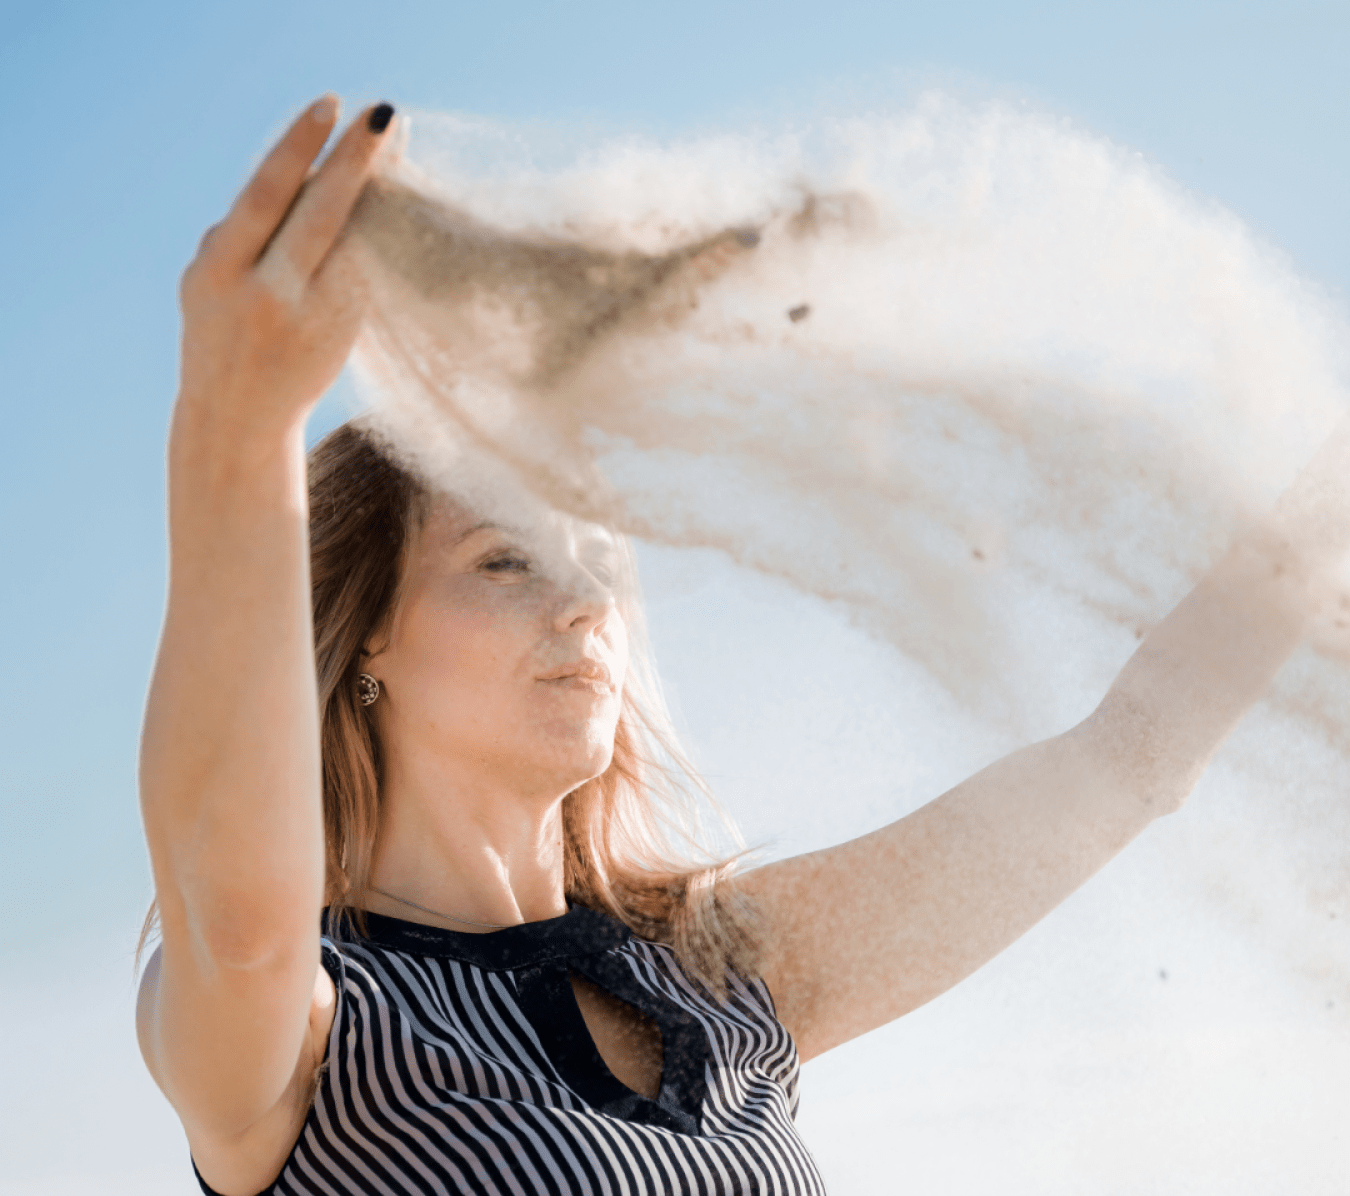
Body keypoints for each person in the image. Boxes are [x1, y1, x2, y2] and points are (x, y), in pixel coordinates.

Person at [135, 95, 1350, 1196]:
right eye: (505, 560)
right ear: (364, 644)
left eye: (602, 566)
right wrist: (239, 427)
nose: (583, 605)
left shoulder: (720, 968)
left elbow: (1128, 757)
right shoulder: (317, 1029)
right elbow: (237, 919)